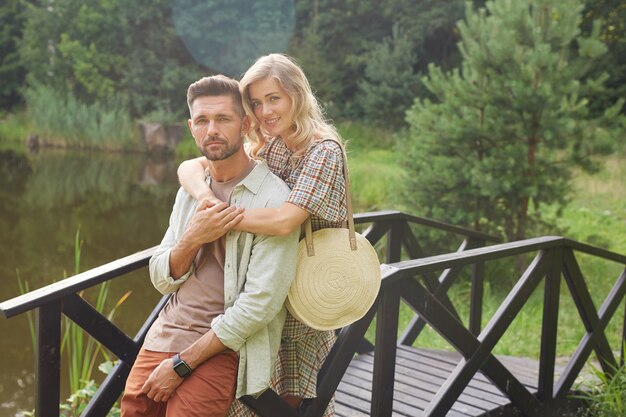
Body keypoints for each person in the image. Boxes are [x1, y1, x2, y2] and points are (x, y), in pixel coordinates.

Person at [177, 53, 347, 416]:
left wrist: (218, 221)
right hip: (268, 286)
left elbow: (286, 221)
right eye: (255, 102)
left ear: (296, 96)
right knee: (256, 396)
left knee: (292, 401)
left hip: (305, 292)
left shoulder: (323, 151)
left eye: (274, 98)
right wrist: (207, 199)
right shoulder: (271, 143)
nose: (265, 110)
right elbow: (189, 166)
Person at [121, 74, 299, 417]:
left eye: (223, 119)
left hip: (225, 346)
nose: (211, 129)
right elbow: (161, 277)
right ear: (191, 127)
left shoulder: (274, 198)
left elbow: (259, 305)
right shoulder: (190, 189)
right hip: (167, 332)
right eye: (202, 120)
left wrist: (181, 364)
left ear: (245, 125)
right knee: (132, 412)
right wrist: (193, 237)